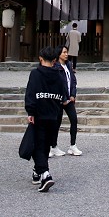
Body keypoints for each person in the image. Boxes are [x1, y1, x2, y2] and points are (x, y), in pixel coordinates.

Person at [25, 45, 69, 192]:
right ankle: (37, 173)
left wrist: (30, 112)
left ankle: (45, 174)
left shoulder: (36, 74)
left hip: (39, 114)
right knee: (45, 145)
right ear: (55, 60)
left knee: (36, 144)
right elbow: (63, 95)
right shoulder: (59, 75)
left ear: (40, 58)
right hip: (54, 115)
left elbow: (31, 93)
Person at [49, 45, 82, 157]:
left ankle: (73, 145)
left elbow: (73, 81)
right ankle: (53, 146)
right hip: (59, 100)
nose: (66, 54)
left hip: (69, 99)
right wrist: (63, 98)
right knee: (56, 123)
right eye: (64, 52)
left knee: (74, 120)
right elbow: (57, 84)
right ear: (59, 54)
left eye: (66, 52)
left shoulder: (68, 65)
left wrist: (73, 95)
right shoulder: (55, 67)